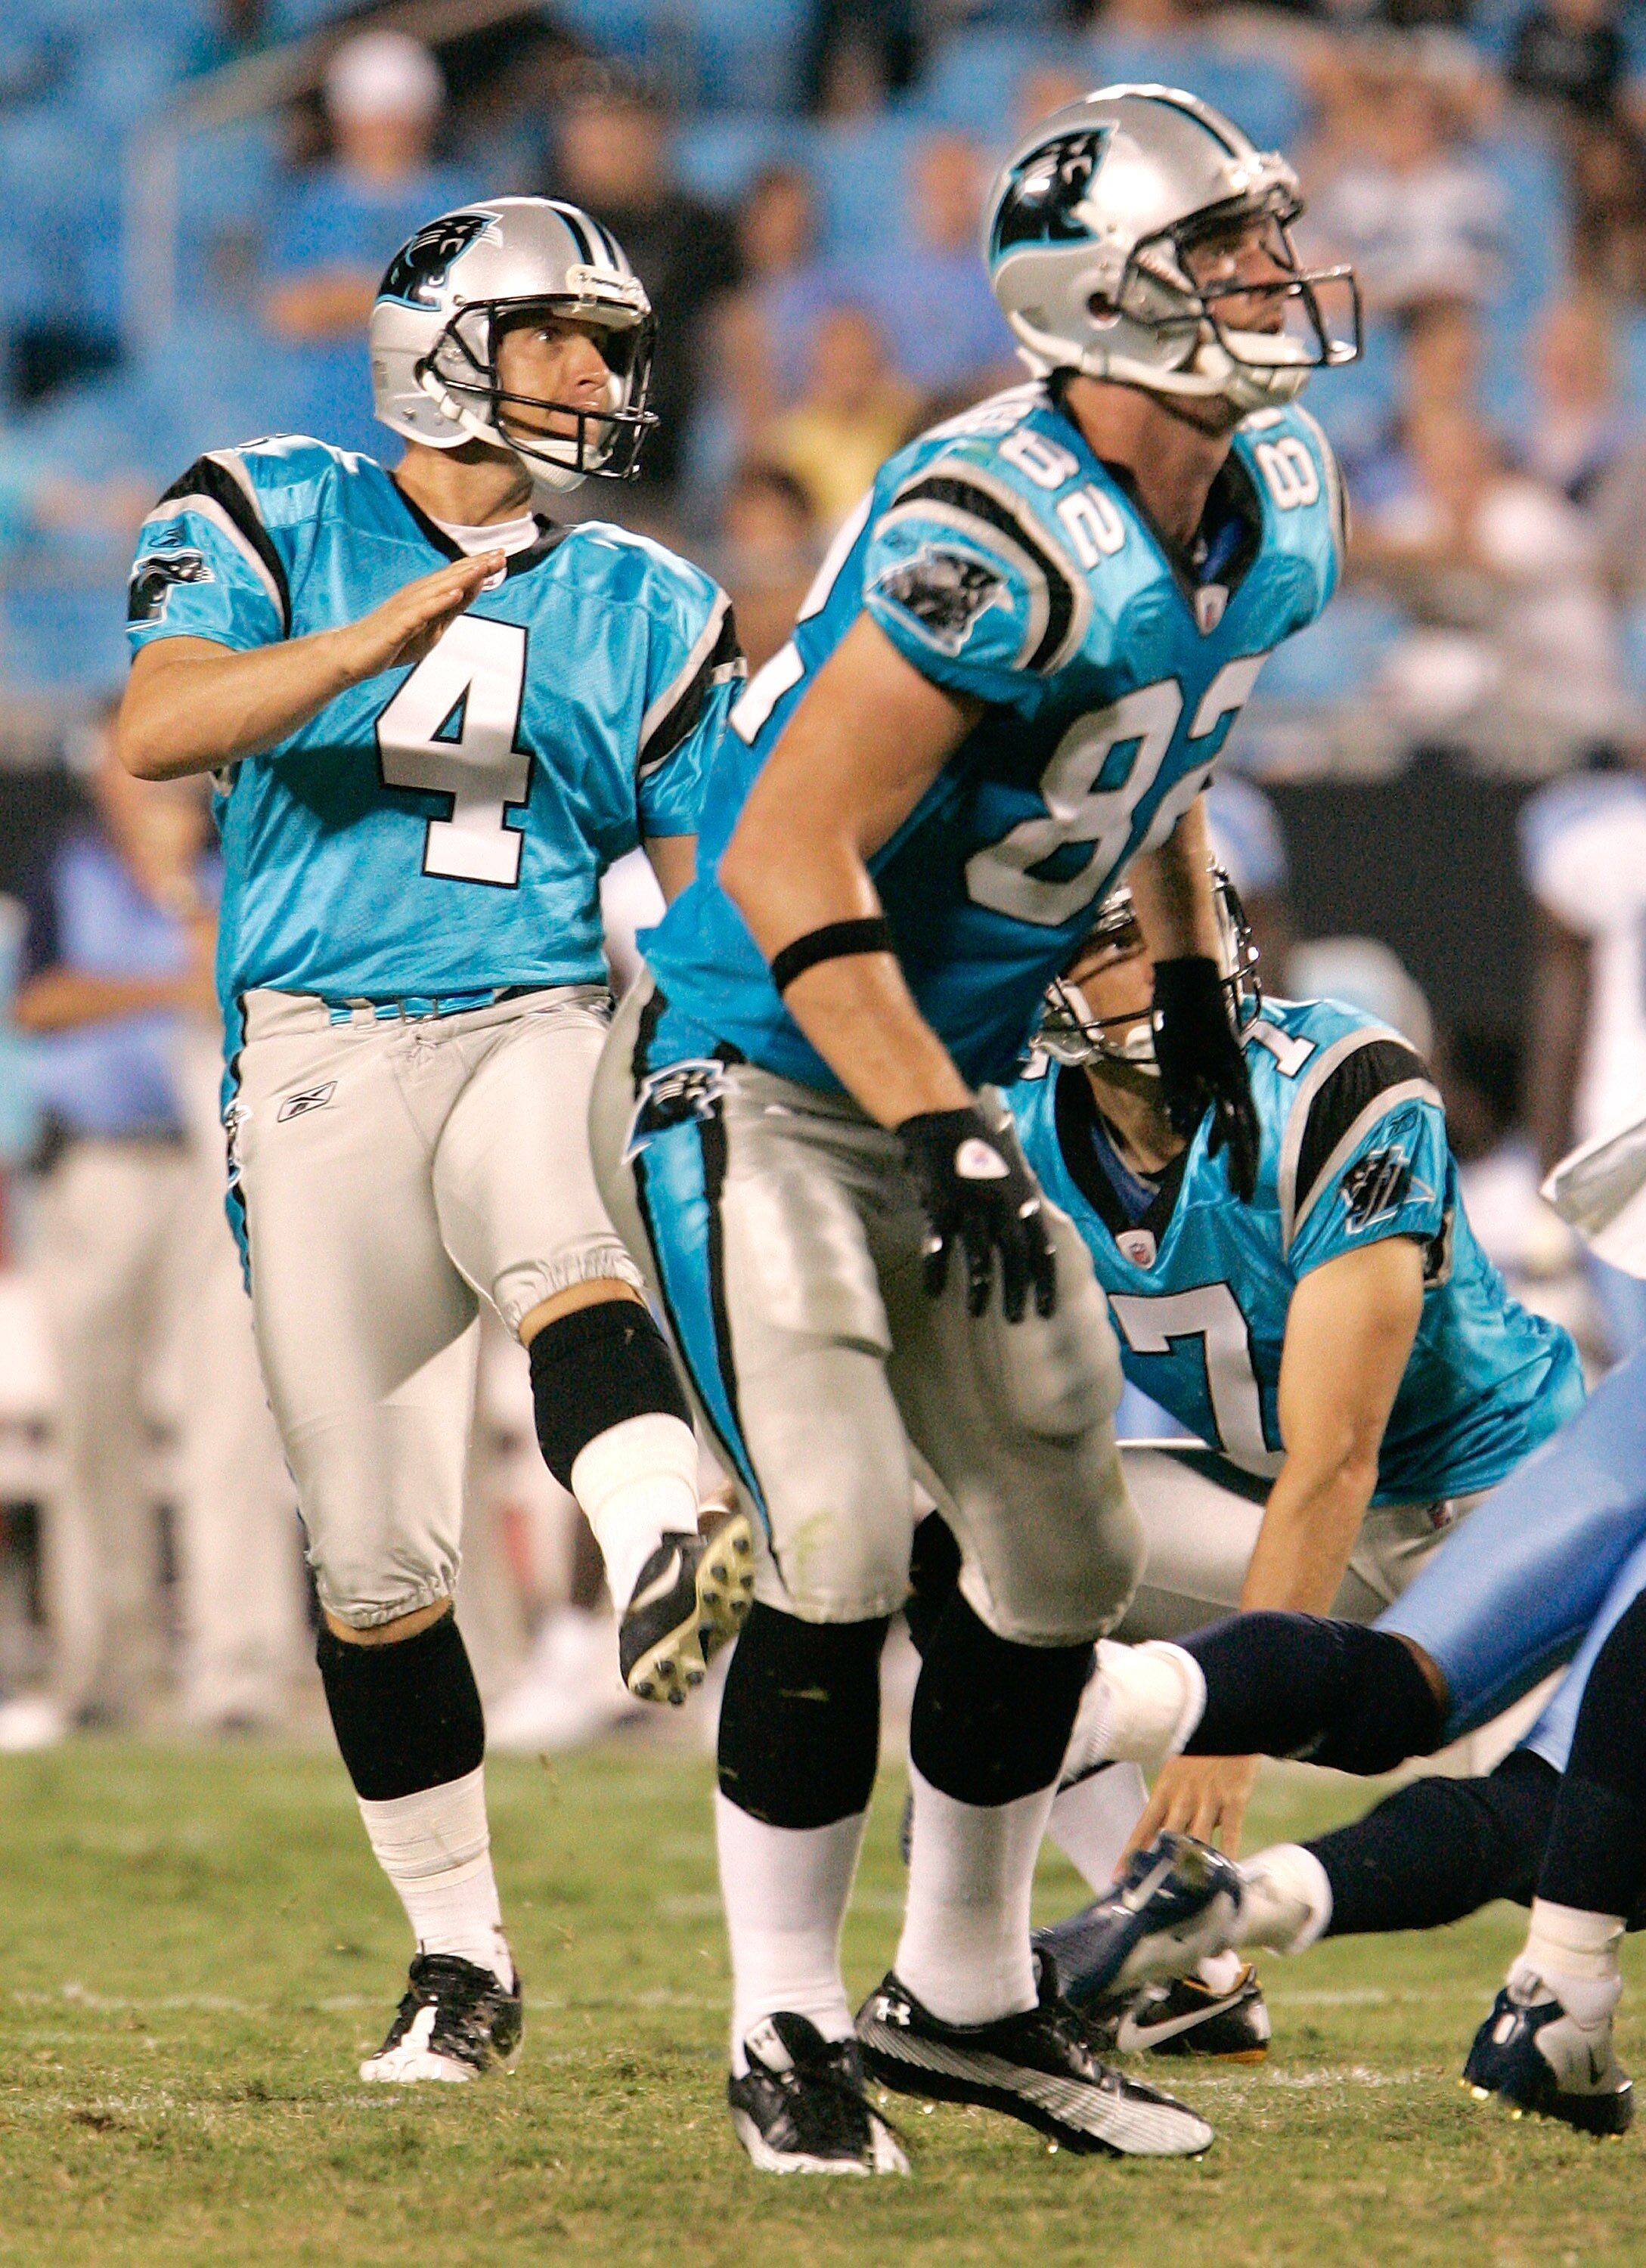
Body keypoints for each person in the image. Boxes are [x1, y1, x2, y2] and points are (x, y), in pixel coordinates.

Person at [588, 85, 1359, 2174]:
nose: (1270, 282)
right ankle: (781, 2024)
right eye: (1221, 251)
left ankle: (969, 1994)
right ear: (1097, 301)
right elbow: (790, 855)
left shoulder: (1264, 489)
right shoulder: (983, 531)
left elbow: (1160, 748)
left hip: (950, 1083)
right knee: (838, 1540)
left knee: (1061, 1562)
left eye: (1265, 240)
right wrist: (950, 1126)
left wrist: (1194, 968)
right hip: (765, 1066)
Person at [115, 197, 752, 2086]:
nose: (595, 375)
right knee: (372, 1558)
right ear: (444, 339)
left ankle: (661, 1533)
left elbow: (706, 882)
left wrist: (729, 1041)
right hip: (311, 1052)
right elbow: (164, 728)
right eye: (560, 336)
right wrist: (369, 634)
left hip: (532, 1008)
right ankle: (460, 1956)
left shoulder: (648, 597)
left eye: (610, 346)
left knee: (555, 1221)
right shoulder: (266, 504)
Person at [910, 870, 1579, 2054]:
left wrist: (1226, 1733)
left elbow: (1337, 1455)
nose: (1175, 950)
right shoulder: (1004, 1118)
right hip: (1278, 1509)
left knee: (1569, 1839)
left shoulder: (1337, 1083)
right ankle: (1181, 1972)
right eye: (1119, 937)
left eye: (1181, 915)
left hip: (1502, 1520)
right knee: (962, 1531)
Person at [1026, 1335, 1646, 2137]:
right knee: (1554, 1805)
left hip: (1612, 1425)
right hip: (1499, 1455)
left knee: (1396, 1685)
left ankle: (1081, 1710)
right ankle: (1243, 1907)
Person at [14, 735, 303, 1737]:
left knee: (232, 1416)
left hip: (213, 1166)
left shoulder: (231, 866)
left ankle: (240, 1668)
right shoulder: (67, 864)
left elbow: (234, 993)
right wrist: (144, 992)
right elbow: (40, 1003)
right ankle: (104, 1668)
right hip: (98, 1163)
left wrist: (179, 888)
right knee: (95, 1423)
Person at [265, 33, 480, 345]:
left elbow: (475, 302)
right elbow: (288, 311)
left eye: (398, 117)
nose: (387, 132)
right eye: (375, 117)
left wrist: (345, 297)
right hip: (330, 388)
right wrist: (411, 299)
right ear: (342, 121)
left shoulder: (461, 199)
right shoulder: (310, 204)